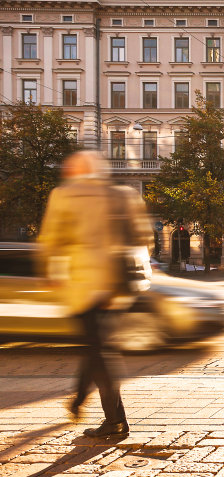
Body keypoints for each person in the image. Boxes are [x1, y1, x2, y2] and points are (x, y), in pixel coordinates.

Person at [39, 151, 153, 438]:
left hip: (84, 285)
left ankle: (101, 414)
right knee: (100, 349)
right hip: (117, 286)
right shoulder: (124, 195)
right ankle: (107, 416)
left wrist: (51, 274)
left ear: (74, 171)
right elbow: (144, 239)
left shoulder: (64, 196)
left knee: (99, 351)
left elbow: (50, 241)